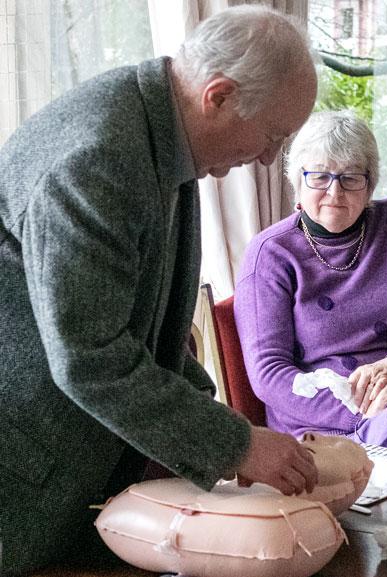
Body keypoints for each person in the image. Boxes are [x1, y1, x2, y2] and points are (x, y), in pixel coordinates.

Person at [0, 6, 320, 574]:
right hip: (23, 473)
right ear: (217, 96)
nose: (270, 158)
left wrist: (229, 432)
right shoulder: (98, 160)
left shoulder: (159, 132)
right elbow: (91, 358)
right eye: (272, 135)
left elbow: (154, 335)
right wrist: (236, 445)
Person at [234, 110, 387, 448]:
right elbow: (270, 375)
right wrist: (362, 407)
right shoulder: (272, 253)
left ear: (370, 185)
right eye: (319, 177)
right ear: (297, 180)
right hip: (324, 427)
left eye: (350, 178)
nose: (334, 193)